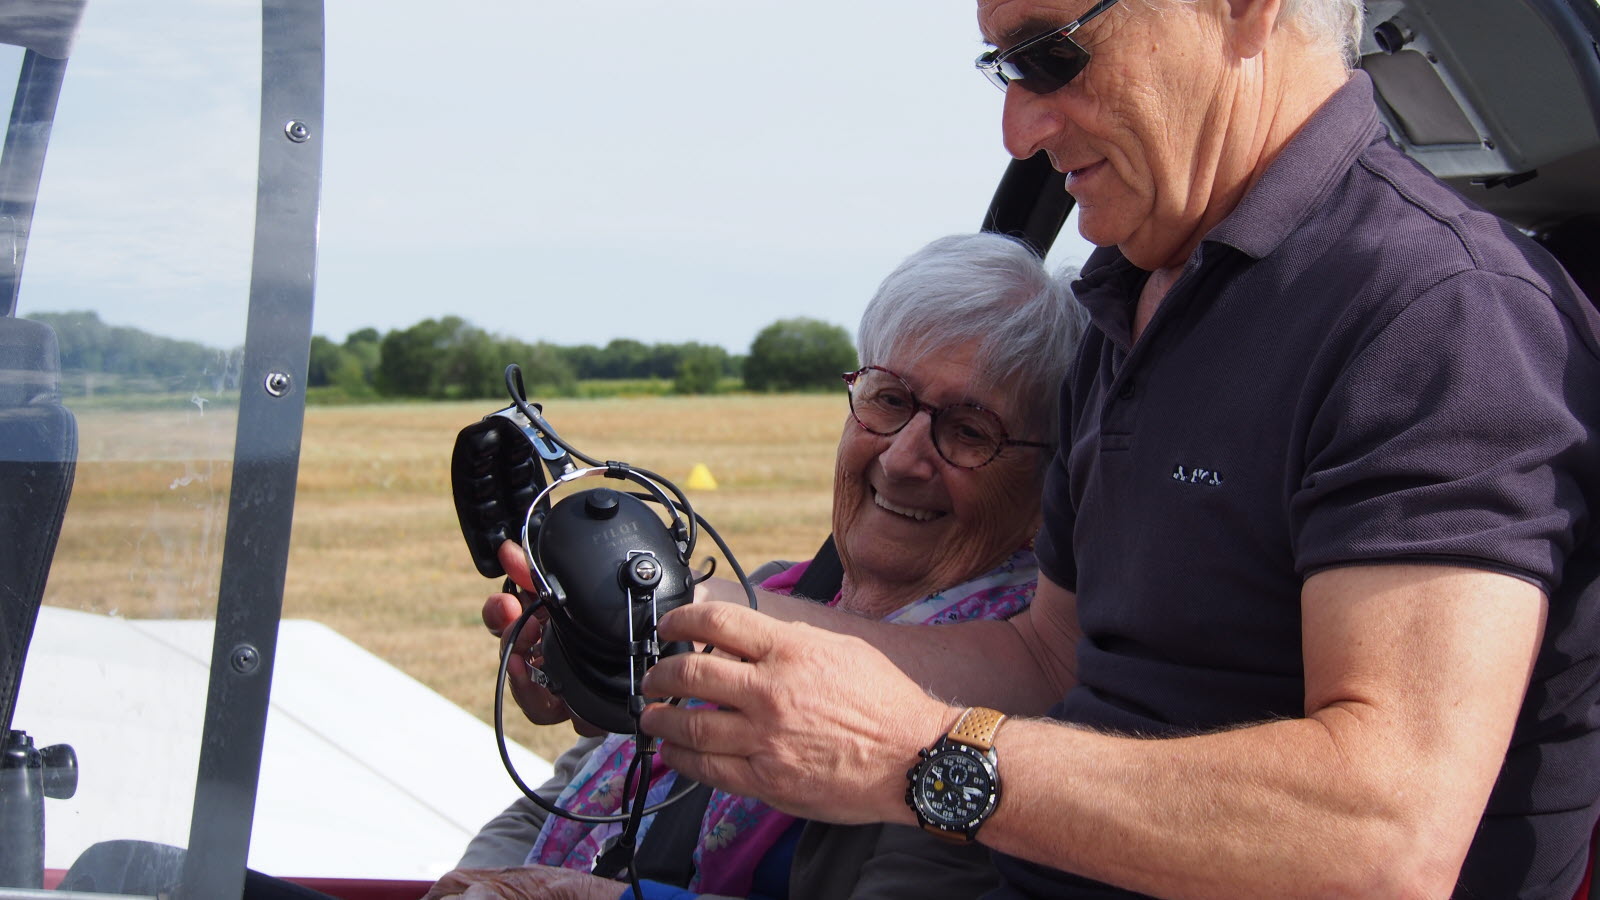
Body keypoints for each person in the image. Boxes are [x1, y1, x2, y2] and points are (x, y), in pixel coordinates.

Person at [624, 1, 1600, 898]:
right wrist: (699, 621)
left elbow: (1385, 835)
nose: (1018, 128)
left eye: (1054, 56)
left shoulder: (1438, 314)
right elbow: (1047, 656)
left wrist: (917, 757)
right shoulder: (1132, 297)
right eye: (1001, 68)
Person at [425, 231, 1087, 899]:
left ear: (1049, 479)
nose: (901, 459)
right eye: (888, 400)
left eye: (971, 431)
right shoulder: (773, 589)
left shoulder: (1014, 708)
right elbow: (564, 796)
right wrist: (482, 884)